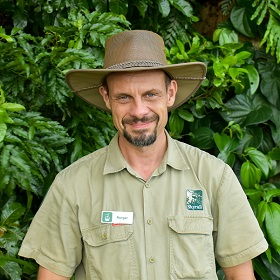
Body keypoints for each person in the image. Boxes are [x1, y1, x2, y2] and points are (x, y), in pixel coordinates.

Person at [19, 30, 268, 280]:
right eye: (124, 97)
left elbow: (241, 276)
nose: (139, 111)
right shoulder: (72, 185)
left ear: (170, 93)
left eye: (151, 94)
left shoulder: (214, 176)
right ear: (107, 98)